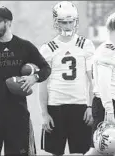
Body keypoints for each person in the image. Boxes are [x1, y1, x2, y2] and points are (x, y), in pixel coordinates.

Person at [0, 6, 51, 156]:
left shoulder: (24, 47)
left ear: (8, 23)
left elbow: (46, 68)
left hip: (18, 113)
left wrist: (34, 77)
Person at [39, 1, 95, 155]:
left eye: (71, 22)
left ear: (75, 22)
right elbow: (42, 85)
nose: (68, 26)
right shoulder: (47, 49)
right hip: (56, 106)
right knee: (53, 153)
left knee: (80, 153)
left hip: (80, 106)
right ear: (57, 23)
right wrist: (44, 113)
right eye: (64, 22)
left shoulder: (86, 45)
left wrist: (91, 107)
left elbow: (93, 81)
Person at [84, 12, 115, 155]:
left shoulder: (112, 49)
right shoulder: (107, 51)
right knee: (99, 151)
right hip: (108, 104)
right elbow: (103, 83)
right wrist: (110, 110)